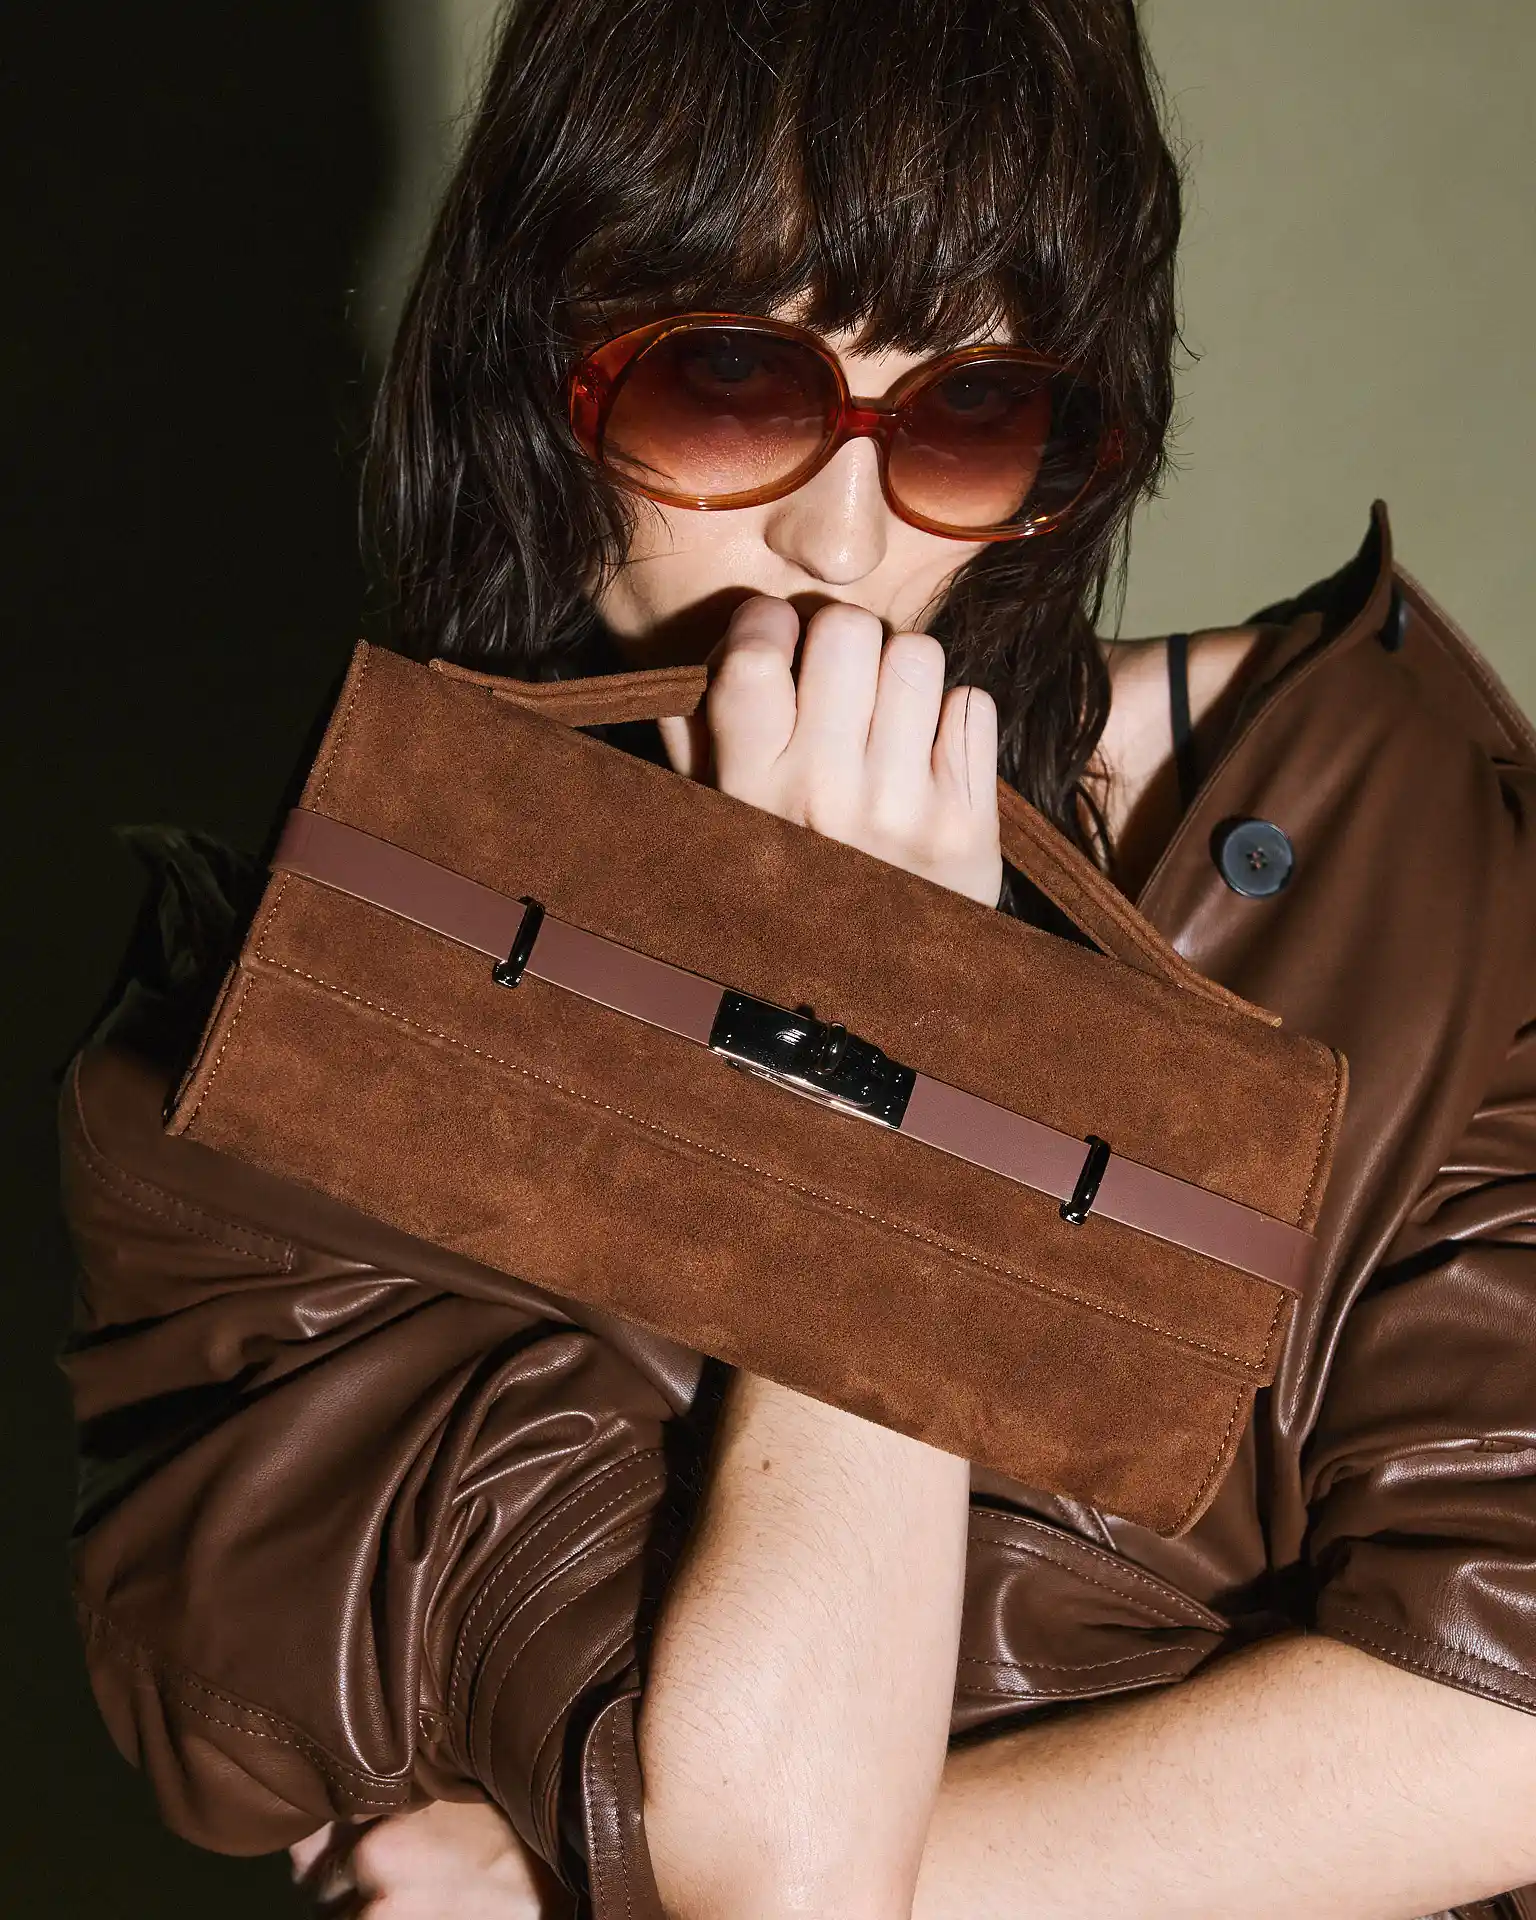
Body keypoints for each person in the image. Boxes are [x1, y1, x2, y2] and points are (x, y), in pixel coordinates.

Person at [56, 1, 1536, 1916]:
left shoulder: (1364, 815)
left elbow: (1507, 1722)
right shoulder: (282, 1052)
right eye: (737, 385)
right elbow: (785, 1860)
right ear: (535, 363)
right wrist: (881, 1016)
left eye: (968, 414)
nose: (845, 540)